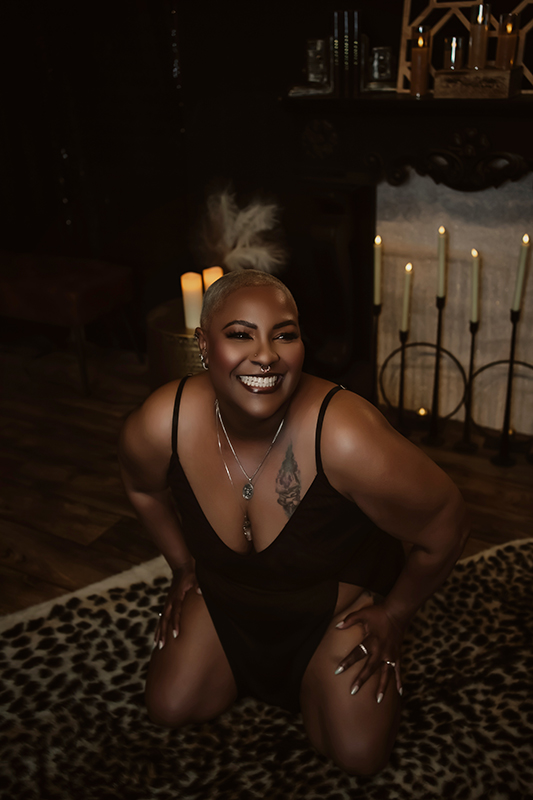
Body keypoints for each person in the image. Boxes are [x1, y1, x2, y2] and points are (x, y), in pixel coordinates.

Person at [119, 270, 468, 776]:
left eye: (284, 334)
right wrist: (181, 566)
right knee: (169, 707)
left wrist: (396, 614)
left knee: (356, 757)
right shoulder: (163, 422)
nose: (266, 355)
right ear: (202, 342)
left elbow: (448, 524)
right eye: (241, 334)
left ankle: (321, 672)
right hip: (228, 602)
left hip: (330, 616)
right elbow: (141, 488)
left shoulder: (344, 433)